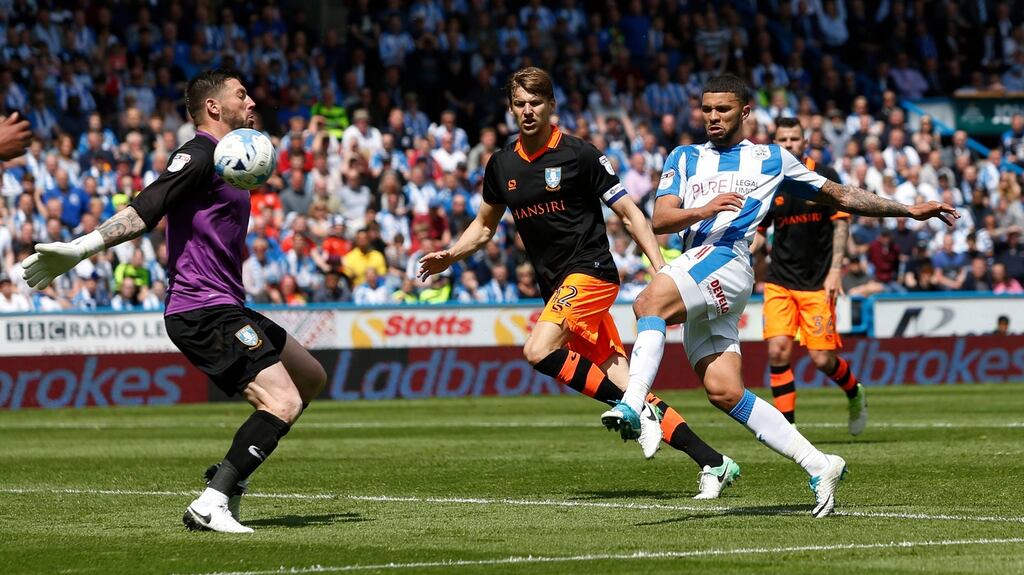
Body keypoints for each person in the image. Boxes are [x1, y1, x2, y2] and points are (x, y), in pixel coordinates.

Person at [603, 74, 958, 518]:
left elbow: (840, 194)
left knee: (647, 304)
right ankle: (821, 463)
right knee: (724, 391)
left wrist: (906, 210)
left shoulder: (771, 159)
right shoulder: (685, 156)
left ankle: (634, 403)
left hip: (728, 260)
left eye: (723, 109)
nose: (713, 117)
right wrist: (704, 209)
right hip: (696, 263)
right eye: (707, 109)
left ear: (746, 112)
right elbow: (660, 220)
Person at [21, 69, 327, 533]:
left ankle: (229, 484)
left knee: (310, 378)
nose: (250, 103)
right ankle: (214, 500)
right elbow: (149, 206)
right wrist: (81, 249)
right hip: (201, 308)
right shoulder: (200, 153)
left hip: (227, 304)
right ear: (212, 107)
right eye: (240, 95)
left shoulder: (228, 156)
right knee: (281, 401)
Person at [419, 67, 741, 499]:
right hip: (557, 288)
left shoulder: (579, 155)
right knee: (631, 388)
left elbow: (630, 213)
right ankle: (713, 462)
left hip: (591, 273)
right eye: (520, 104)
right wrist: (451, 255)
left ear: (551, 106)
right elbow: (483, 226)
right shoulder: (501, 164)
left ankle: (639, 416)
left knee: (537, 350)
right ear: (511, 109)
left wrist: (659, 265)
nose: (528, 111)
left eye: (536, 102)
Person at [752, 118, 867, 434]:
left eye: (794, 139)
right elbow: (761, 233)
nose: (788, 145)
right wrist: (748, 246)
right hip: (780, 281)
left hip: (818, 283)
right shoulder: (769, 181)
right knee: (777, 349)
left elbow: (841, 224)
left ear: (804, 142)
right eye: (782, 140)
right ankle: (787, 431)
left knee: (821, 359)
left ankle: (854, 391)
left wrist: (835, 272)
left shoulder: (824, 176)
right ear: (775, 144)